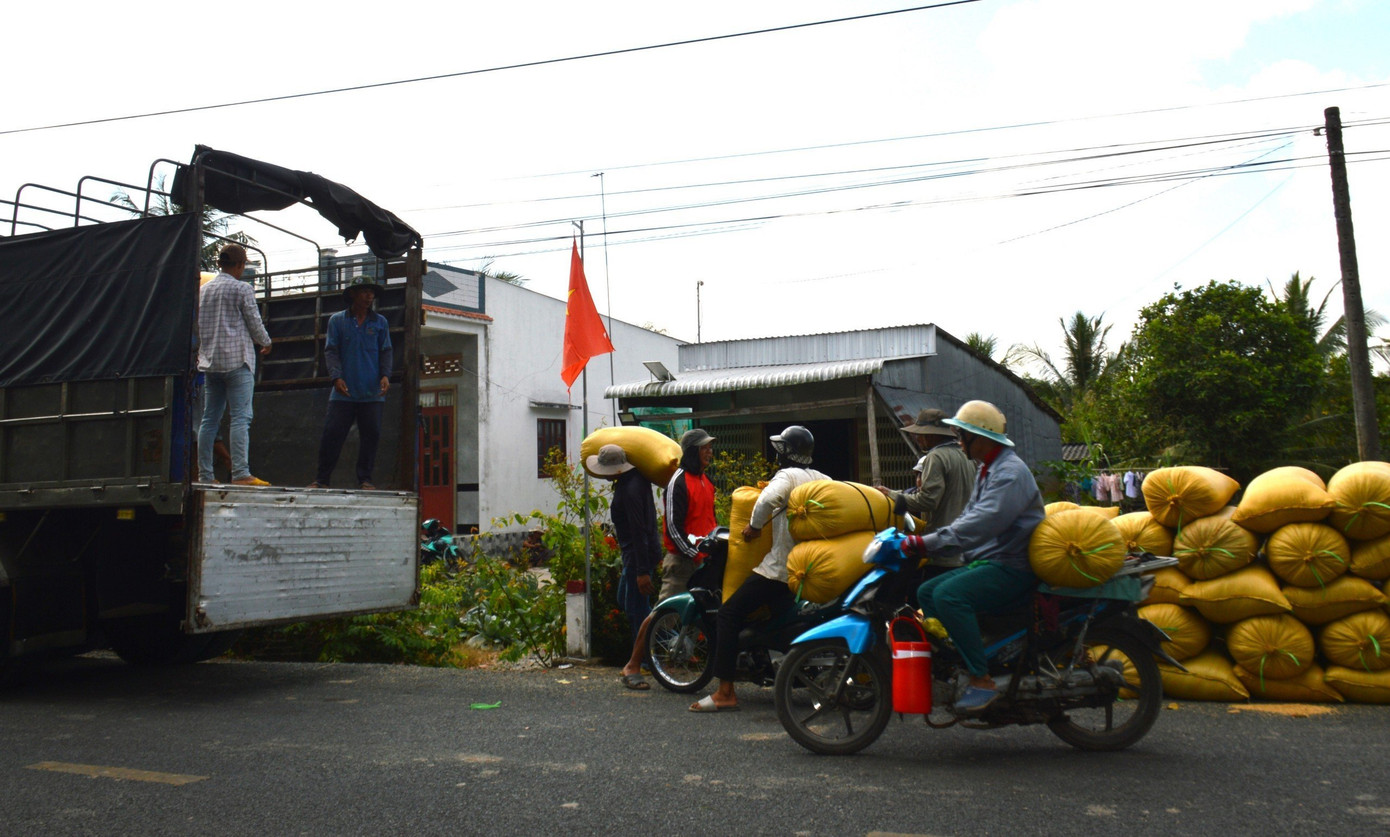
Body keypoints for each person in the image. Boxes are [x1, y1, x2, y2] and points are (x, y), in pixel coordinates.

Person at [902, 400, 1045, 716]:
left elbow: (981, 523)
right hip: (990, 561)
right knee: (927, 592)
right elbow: (967, 518)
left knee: (949, 597)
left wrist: (924, 544)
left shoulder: (1009, 473)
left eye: (963, 435)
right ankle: (972, 655)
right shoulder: (987, 469)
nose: (959, 441)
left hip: (1012, 566)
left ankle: (982, 680)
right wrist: (927, 542)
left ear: (982, 438)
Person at [690, 425, 828, 713]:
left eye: (780, 451)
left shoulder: (788, 476)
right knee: (775, 620)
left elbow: (766, 500)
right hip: (811, 567)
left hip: (780, 570)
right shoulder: (823, 478)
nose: (776, 457)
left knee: (728, 614)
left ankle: (725, 691)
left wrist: (753, 527)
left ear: (786, 454)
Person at [620, 428, 719, 679]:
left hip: (703, 560)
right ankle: (633, 664)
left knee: (703, 613)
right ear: (693, 452)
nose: (710, 451)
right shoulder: (679, 481)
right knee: (661, 615)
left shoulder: (707, 482)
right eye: (705, 447)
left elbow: (710, 521)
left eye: (710, 447)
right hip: (683, 561)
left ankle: (681, 659)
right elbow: (674, 528)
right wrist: (694, 554)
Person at [197, 244, 272, 486]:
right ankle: (241, 474)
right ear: (239, 265)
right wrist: (266, 342)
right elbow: (254, 321)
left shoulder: (204, 291)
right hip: (237, 362)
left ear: (220, 264)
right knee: (241, 418)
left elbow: (198, 327)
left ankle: (206, 476)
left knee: (209, 420)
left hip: (210, 364)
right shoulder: (242, 289)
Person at [589, 445, 662, 690]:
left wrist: (642, 571)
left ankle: (640, 665)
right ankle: (660, 643)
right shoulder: (634, 480)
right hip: (635, 555)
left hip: (637, 557)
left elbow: (639, 531)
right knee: (627, 601)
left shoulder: (630, 489)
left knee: (636, 610)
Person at [309, 275, 393, 490]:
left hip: (372, 392)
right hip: (343, 392)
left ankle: (365, 479)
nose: (369, 296)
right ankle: (322, 480)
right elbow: (331, 351)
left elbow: (386, 351)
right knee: (332, 435)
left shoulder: (380, 322)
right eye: (364, 291)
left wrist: (385, 375)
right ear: (353, 294)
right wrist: (336, 377)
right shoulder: (338, 320)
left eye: (371, 292)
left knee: (370, 437)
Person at [875, 408, 975, 534]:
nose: (917, 438)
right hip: (968, 536)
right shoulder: (966, 455)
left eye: (919, 434)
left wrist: (892, 495)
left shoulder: (936, 456)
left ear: (930, 436)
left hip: (945, 537)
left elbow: (928, 500)